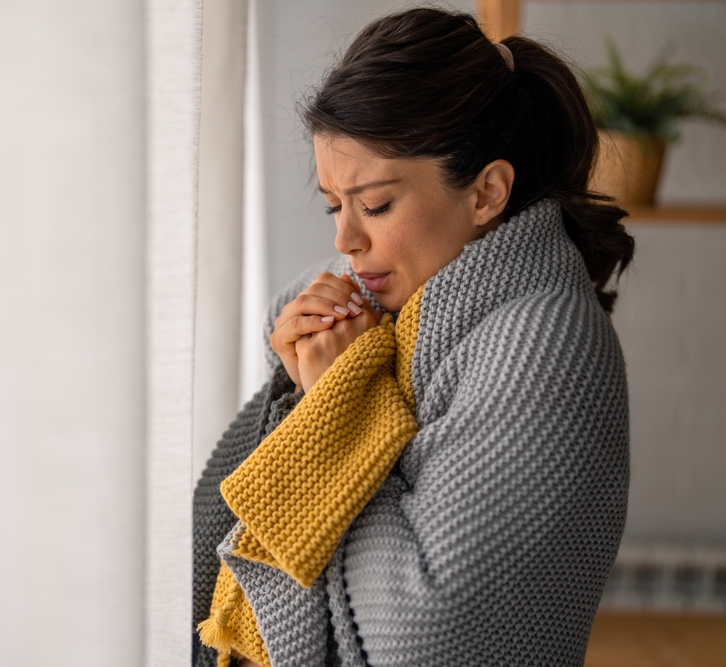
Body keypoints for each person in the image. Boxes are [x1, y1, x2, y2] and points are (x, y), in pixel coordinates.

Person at [193, 8, 634, 667]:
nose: (345, 240)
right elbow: (210, 531)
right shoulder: (375, 310)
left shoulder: (547, 348)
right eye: (333, 205)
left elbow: (432, 636)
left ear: (487, 192)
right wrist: (295, 385)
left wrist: (340, 400)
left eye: (374, 205)